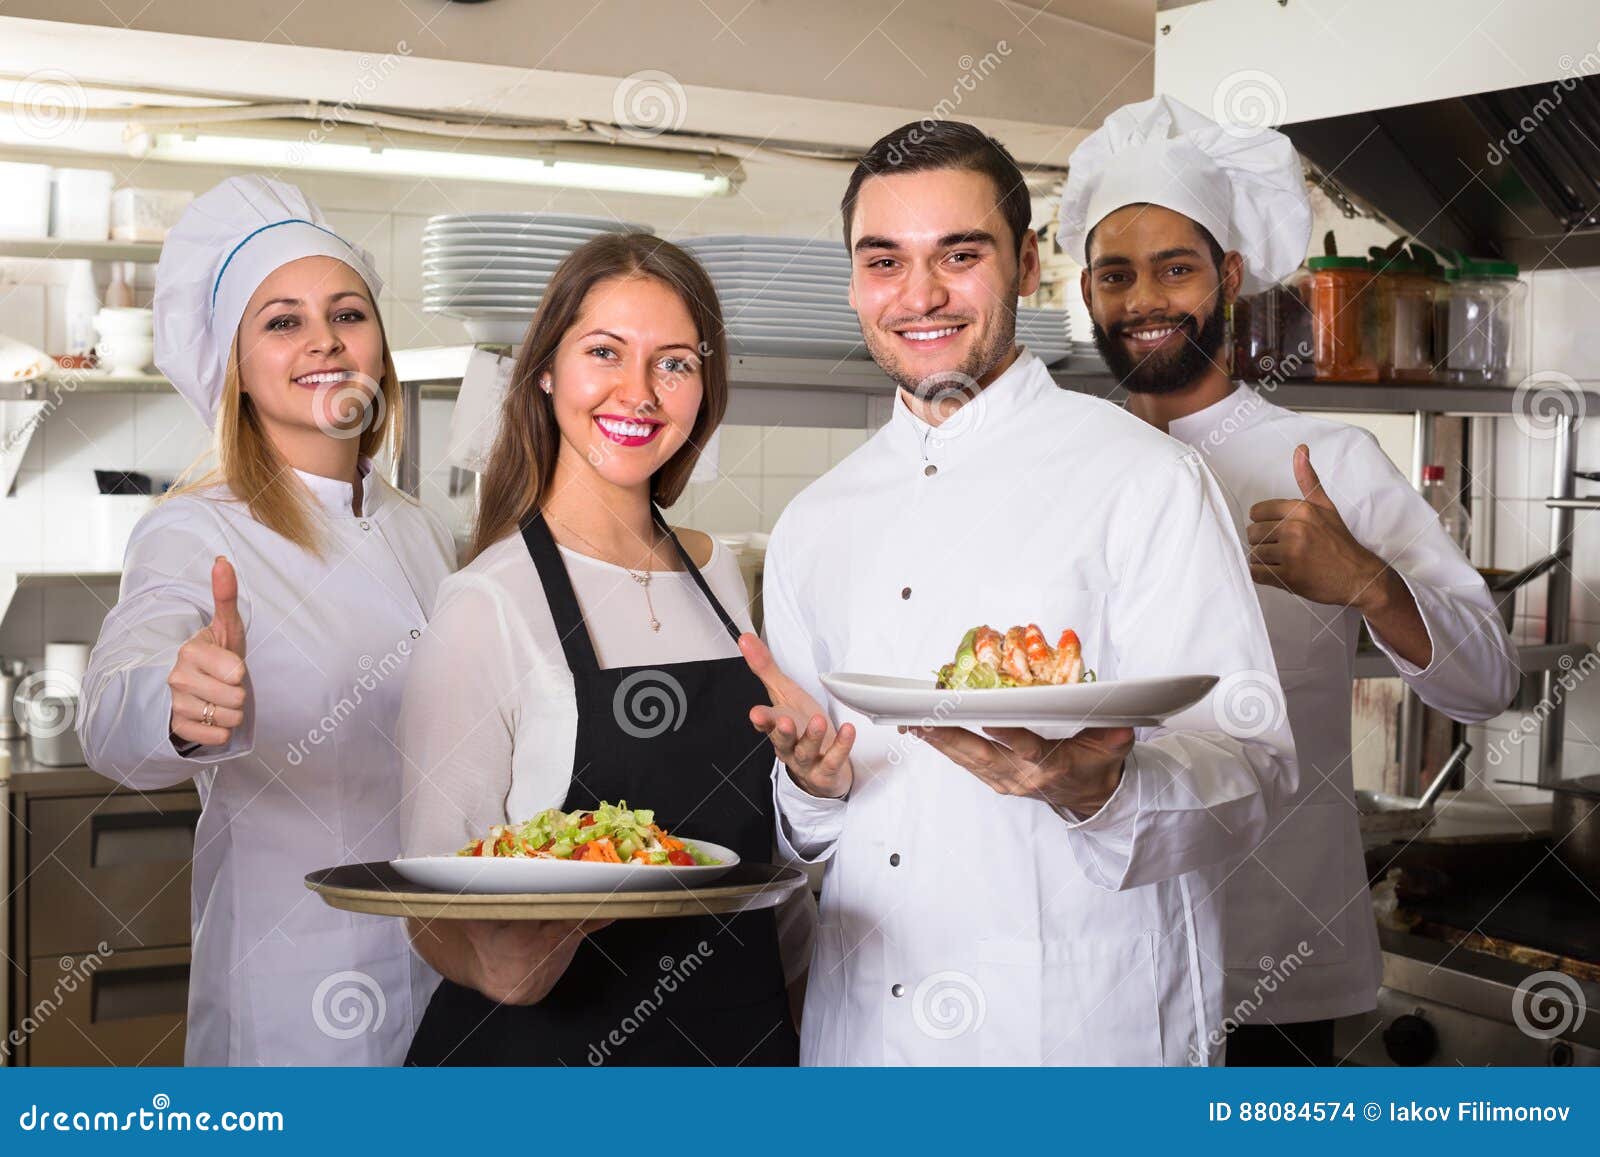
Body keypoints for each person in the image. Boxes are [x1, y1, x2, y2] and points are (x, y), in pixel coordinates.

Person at [737, 119, 1299, 1065]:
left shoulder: (1143, 478)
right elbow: (819, 835)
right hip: (866, 1039)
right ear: (853, 280)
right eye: (885, 261)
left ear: (1029, 263)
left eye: (960, 255)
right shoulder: (816, 522)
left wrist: (1103, 790)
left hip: (1076, 1036)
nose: (920, 296)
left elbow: (1253, 763)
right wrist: (810, 788)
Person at [1062, 95, 1520, 1065]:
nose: (1143, 299)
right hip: (1093, 950)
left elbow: (1487, 682)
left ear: (1227, 276)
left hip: (1274, 949)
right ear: (1088, 291)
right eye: (1116, 274)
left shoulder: (1333, 459)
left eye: (1175, 267)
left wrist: (1368, 582)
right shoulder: (1061, 461)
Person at [399, 232, 809, 1067]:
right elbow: (429, 899)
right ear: (545, 372)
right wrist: (500, 963)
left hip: (740, 1046)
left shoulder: (719, 571)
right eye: (604, 353)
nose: (640, 391)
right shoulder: (488, 603)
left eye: (675, 364)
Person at [77, 176, 456, 1065]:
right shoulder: (195, 528)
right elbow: (111, 703)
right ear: (234, 369)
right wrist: (172, 699)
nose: (324, 339)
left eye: (348, 313)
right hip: (295, 997)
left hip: (447, 975)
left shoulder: (420, 527)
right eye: (282, 320)